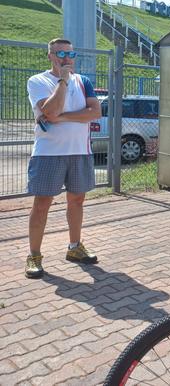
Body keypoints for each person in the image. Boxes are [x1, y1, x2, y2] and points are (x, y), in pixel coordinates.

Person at [24, 38, 102, 279]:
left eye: (71, 53)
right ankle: (34, 256)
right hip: (49, 153)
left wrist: (63, 117)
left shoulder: (85, 81)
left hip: (79, 151)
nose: (67, 58)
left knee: (77, 201)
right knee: (42, 205)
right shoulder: (38, 81)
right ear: (50, 56)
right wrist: (64, 80)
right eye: (60, 53)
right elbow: (49, 111)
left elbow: (95, 112)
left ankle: (74, 247)